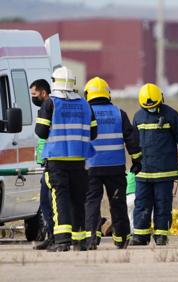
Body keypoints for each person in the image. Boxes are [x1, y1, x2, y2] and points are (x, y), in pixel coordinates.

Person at [35, 66, 97, 252]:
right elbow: (93, 133)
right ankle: (81, 241)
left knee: (59, 198)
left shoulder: (50, 103)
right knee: (79, 200)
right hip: (79, 161)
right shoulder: (85, 104)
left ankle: (62, 241)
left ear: (55, 82)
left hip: (57, 160)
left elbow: (41, 132)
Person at [84, 76, 141, 250]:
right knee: (117, 203)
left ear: (88, 94)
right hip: (115, 168)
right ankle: (122, 238)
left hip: (90, 168)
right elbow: (131, 139)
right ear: (107, 94)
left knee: (91, 202)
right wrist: (137, 160)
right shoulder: (119, 113)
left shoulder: (86, 113)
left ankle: (91, 239)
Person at [132, 83, 178, 246]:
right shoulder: (138, 117)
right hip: (144, 173)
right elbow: (133, 142)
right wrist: (135, 161)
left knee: (162, 205)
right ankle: (140, 235)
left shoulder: (171, 115)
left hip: (164, 173)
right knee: (141, 205)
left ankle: (161, 235)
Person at [30, 79, 53, 250]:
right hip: (49, 161)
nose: (33, 98)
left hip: (53, 162)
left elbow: (43, 134)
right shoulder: (47, 108)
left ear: (43, 93)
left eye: (34, 94)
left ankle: (53, 236)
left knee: (47, 201)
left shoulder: (49, 107)